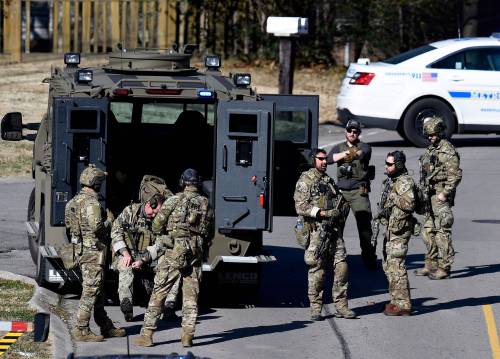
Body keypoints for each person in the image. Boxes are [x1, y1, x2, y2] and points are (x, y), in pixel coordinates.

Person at [133, 168, 213, 348]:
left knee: (159, 293)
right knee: (191, 298)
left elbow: (156, 225)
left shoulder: (173, 201)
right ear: (197, 183)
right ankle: (187, 337)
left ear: (183, 183)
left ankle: (147, 335)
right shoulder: (205, 203)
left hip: (172, 253)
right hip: (195, 255)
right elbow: (210, 232)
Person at [294, 148, 356, 321]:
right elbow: (301, 206)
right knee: (317, 270)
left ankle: (342, 306)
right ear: (313, 160)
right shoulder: (306, 180)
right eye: (320, 159)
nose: (324, 162)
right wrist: (323, 213)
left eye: (325, 159)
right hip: (316, 232)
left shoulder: (328, 180)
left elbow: (337, 202)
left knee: (341, 267)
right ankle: (315, 308)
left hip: (334, 231)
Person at [66, 164, 126, 342]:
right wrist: (109, 220)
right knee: (91, 290)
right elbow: (97, 227)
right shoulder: (91, 203)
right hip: (93, 253)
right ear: (96, 184)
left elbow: (70, 227)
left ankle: (105, 325)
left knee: (98, 291)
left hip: (81, 250)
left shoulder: (72, 202)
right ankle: (81, 329)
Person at [110, 175, 173, 322]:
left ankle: (166, 305)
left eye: (158, 214)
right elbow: (115, 231)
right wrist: (125, 254)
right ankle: (127, 306)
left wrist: (144, 260)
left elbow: (161, 243)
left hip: (149, 256)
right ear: (148, 204)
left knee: (168, 264)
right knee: (125, 269)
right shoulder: (130, 212)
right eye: (154, 212)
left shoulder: (159, 221)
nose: (155, 216)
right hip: (128, 254)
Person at [415, 117, 462, 280]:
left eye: (433, 134)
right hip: (429, 195)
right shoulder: (431, 149)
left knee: (442, 231)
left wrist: (444, 194)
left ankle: (444, 267)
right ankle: (430, 263)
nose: (430, 137)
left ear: (440, 132)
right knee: (428, 231)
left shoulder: (447, 150)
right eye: (428, 135)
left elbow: (455, 176)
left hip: (440, 195)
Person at [327, 119, 377, 270]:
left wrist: (344, 155)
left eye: (355, 131)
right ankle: (335, 258)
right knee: (336, 227)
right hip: (341, 193)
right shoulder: (338, 147)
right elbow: (329, 159)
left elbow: (361, 154)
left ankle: (369, 258)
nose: (352, 133)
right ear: (345, 132)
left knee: (365, 228)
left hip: (358, 192)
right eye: (350, 130)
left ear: (359, 133)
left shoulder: (365, 146)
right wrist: (345, 153)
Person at [375, 151, 417, 316]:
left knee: (397, 266)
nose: (386, 166)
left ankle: (403, 305)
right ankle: (396, 300)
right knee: (389, 265)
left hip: (400, 230)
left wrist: (393, 197)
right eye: (386, 162)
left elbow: (409, 204)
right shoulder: (392, 180)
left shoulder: (404, 182)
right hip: (392, 229)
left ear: (398, 165)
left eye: (390, 164)